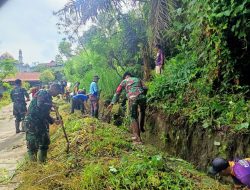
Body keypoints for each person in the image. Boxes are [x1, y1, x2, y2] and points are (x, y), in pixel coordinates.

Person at [24, 83, 62, 162]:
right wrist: (52, 105)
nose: (58, 94)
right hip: (33, 121)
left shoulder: (48, 97)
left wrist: (54, 120)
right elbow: (40, 105)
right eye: (58, 92)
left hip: (37, 121)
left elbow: (44, 113)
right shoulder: (43, 92)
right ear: (54, 88)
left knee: (41, 143)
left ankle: (39, 165)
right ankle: (36, 165)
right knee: (35, 144)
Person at [108, 72, 147, 144]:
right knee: (142, 112)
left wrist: (112, 103)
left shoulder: (124, 81)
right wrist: (142, 95)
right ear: (130, 76)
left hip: (133, 98)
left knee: (133, 117)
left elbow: (117, 92)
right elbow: (145, 87)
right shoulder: (138, 79)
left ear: (125, 77)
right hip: (143, 97)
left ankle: (137, 139)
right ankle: (141, 127)